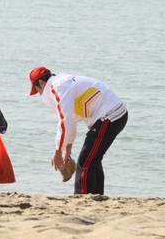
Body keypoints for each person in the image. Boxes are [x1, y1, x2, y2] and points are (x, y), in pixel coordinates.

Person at [29, 66, 128, 195]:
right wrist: (67, 150)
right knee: (93, 158)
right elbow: (71, 121)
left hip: (110, 116)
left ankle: (81, 198)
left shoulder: (58, 87)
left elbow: (65, 121)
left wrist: (58, 152)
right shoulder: (62, 83)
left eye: (37, 90)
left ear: (41, 83)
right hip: (114, 115)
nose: (40, 95)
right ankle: (97, 197)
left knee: (85, 161)